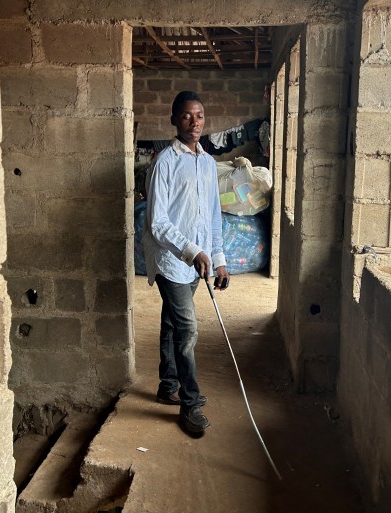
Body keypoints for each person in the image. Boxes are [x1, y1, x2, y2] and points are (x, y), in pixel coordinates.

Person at [143, 91, 230, 434]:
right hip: (171, 260)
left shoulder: (208, 163)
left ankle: (168, 387)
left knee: (172, 323)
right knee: (188, 329)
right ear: (174, 120)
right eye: (187, 117)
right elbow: (157, 222)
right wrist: (192, 251)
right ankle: (189, 404)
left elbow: (213, 215)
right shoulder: (164, 162)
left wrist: (218, 259)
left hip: (199, 262)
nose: (195, 123)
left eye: (200, 117)